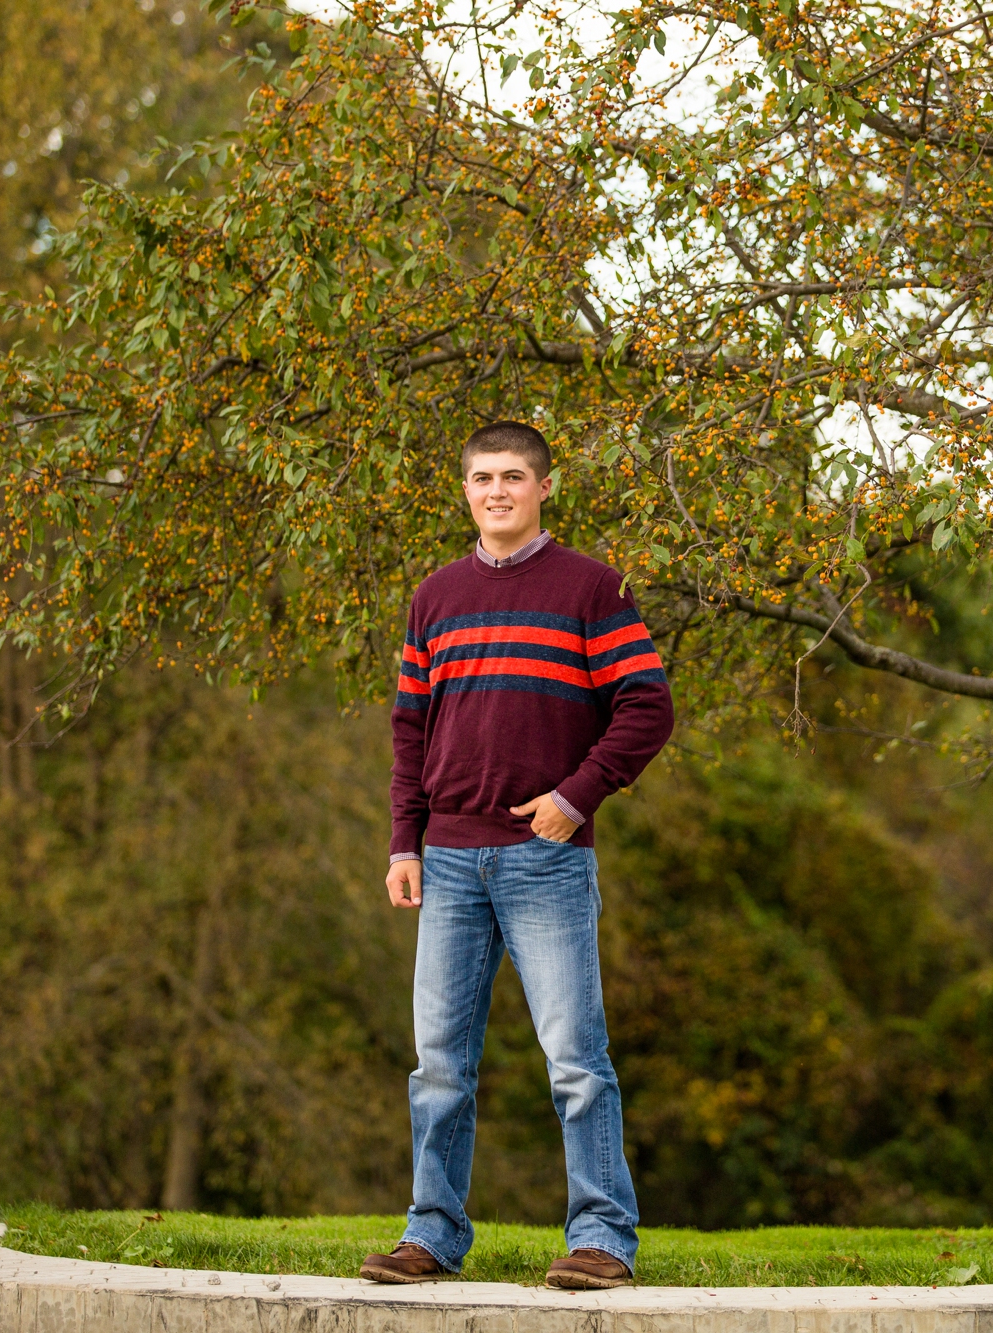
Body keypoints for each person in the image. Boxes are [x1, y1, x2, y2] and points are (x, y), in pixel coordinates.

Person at [358, 421, 672, 1291]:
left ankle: (604, 1240)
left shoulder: (591, 588)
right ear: (465, 490)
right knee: (440, 1066)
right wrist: (402, 840)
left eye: (513, 477)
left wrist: (577, 797)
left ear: (544, 487)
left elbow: (647, 706)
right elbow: (409, 729)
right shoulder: (435, 597)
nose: (497, 491)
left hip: (545, 860)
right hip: (450, 858)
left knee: (575, 1060)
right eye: (482, 478)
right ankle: (432, 1235)